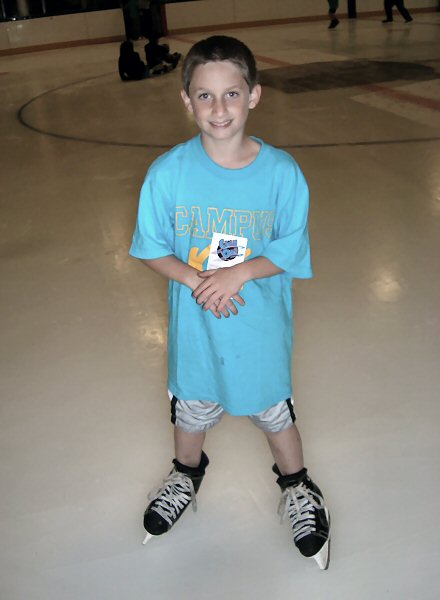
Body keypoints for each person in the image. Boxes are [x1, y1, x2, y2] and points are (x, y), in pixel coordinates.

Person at [129, 35, 331, 570]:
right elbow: (150, 247)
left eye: (232, 94)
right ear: (187, 101)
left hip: (257, 331)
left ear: (254, 95)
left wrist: (239, 273)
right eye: (205, 95)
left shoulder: (281, 172)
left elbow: (290, 248)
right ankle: (185, 474)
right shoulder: (168, 173)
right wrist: (198, 281)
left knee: (274, 411)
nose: (219, 108)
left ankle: (298, 485)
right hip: (197, 331)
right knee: (190, 409)